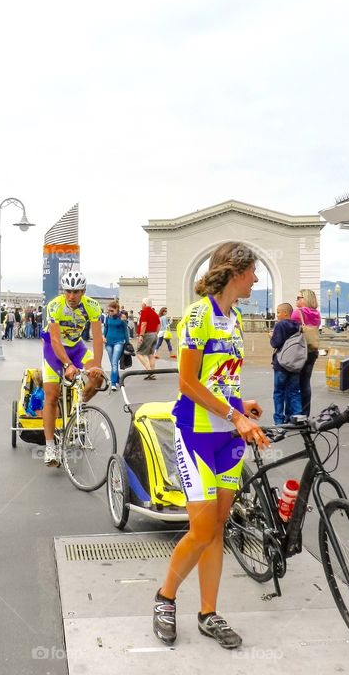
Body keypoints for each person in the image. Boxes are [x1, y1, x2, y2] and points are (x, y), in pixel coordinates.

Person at [153, 241, 268, 650]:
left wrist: (240, 405)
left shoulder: (234, 317)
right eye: (252, 271)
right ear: (236, 271)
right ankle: (165, 597)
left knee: (217, 527)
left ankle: (208, 612)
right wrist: (232, 414)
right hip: (197, 433)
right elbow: (186, 383)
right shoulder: (199, 314)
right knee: (201, 529)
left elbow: (221, 380)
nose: (256, 278)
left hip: (228, 436)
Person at [40, 271, 105, 466]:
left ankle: (80, 404)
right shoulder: (55, 306)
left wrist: (99, 366)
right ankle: (50, 447)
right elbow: (55, 339)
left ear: (83, 291)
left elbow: (97, 338)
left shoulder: (92, 306)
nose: (71, 296)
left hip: (77, 347)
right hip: (54, 349)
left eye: (76, 292)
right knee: (51, 396)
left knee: (98, 378)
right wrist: (68, 365)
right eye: (68, 291)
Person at [270, 302, 303, 424]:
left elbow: (275, 343)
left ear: (285, 313)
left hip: (281, 364)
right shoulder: (297, 325)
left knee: (279, 392)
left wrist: (271, 336)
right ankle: (296, 416)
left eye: (278, 312)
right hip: (295, 363)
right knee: (294, 391)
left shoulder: (280, 325)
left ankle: (279, 419)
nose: (277, 315)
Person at [291, 289, 322, 416]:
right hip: (312, 350)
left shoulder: (297, 313)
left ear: (306, 299)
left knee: (294, 383)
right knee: (306, 382)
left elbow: (290, 329)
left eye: (299, 297)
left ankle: (296, 413)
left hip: (299, 350)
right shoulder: (317, 314)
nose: (297, 299)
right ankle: (305, 413)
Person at [102, 300, 129, 392]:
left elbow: (126, 331)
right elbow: (106, 328)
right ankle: (117, 380)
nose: (109, 312)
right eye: (108, 311)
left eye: (111, 311)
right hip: (108, 342)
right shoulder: (108, 317)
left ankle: (113, 383)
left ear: (117, 309)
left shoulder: (122, 319)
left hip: (119, 342)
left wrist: (127, 342)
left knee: (114, 363)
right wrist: (103, 337)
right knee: (112, 363)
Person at [136, 299, 160, 378]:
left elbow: (144, 324)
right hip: (154, 334)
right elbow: (158, 324)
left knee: (139, 353)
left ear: (144, 304)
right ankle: (152, 372)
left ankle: (149, 370)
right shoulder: (155, 313)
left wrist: (141, 335)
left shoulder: (145, 312)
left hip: (147, 334)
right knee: (151, 354)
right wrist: (156, 333)